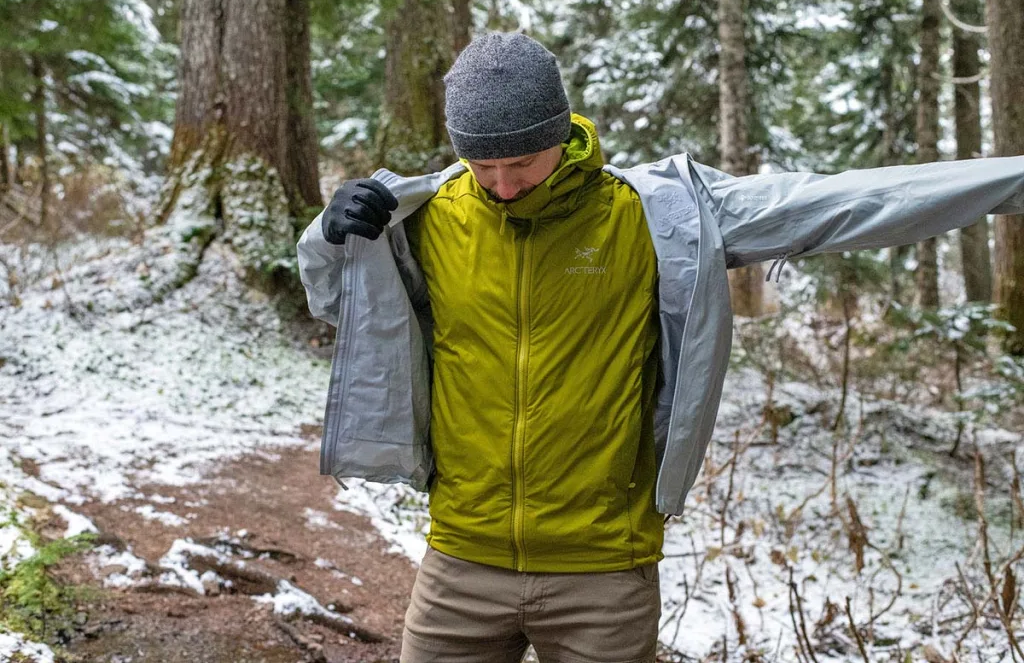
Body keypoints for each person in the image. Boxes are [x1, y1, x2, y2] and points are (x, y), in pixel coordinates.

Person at [297, 32, 1024, 662]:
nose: (505, 184)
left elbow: (839, 203)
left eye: (522, 161)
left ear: (564, 131)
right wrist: (331, 237)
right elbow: (341, 304)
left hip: (605, 572)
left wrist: (1009, 180)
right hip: (460, 560)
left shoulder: (652, 217)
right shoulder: (428, 218)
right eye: (485, 166)